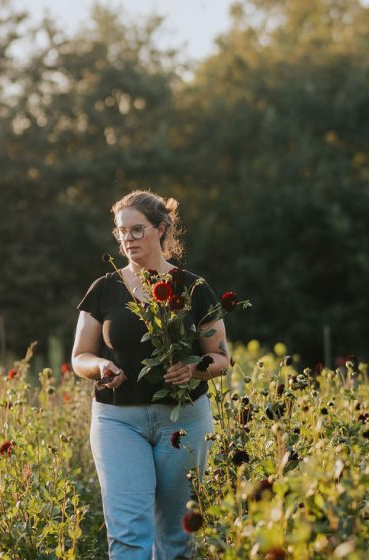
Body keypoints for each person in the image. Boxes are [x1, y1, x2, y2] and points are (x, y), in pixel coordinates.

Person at [71, 190, 230, 559]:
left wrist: (194, 370)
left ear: (160, 229)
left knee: (177, 538)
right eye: (121, 231)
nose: (128, 239)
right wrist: (100, 367)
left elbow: (221, 357)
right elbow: (80, 355)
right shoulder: (103, 289)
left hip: (184, 421)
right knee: (128, 534)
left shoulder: (193, 288)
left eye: (137, 230)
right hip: (117, 422)